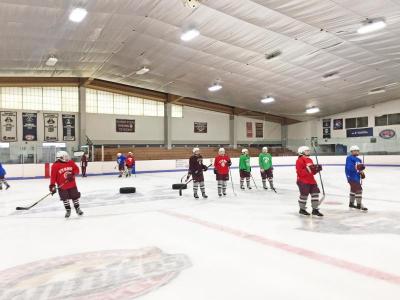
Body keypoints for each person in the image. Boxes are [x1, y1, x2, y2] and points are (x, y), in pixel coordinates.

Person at [49, 151, 83, 218]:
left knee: (75, 197)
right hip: (62, 186)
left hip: (72, 184)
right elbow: (53, 177)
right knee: (65, 199)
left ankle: (78, 209)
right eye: (65, 156)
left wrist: (72, 174)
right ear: (60, 158)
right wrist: (52, 186)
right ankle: (68, 210)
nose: (67, 158)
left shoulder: (70, 162)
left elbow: (77, 170)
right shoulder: (55, 165)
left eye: (67, 156)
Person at [296, 146, 323, 217]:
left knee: (315, 194)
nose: (308, 152)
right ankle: (302, 209)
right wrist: (308, 169)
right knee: (304, 195)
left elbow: (312, 172)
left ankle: (315, 210)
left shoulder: (310, 160)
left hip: (312, 181)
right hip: (302, 181)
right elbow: (300, 173)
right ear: (301, 152)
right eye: (306, 151)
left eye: (308, 150)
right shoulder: (299, 160)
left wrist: (316, 169)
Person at [345, 145, 367, 211]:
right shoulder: (349, 158)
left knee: (353, 190)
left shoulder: (359, 160)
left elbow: (360, 169)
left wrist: (362, 173)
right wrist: (357, 167)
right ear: (352, 151)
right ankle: (359, 205)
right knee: (359, 190)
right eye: (355, 150)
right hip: (351, 177)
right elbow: (349, 167)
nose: (357, 151)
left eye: (358, 150)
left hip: (357, 177)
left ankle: (351, 203)